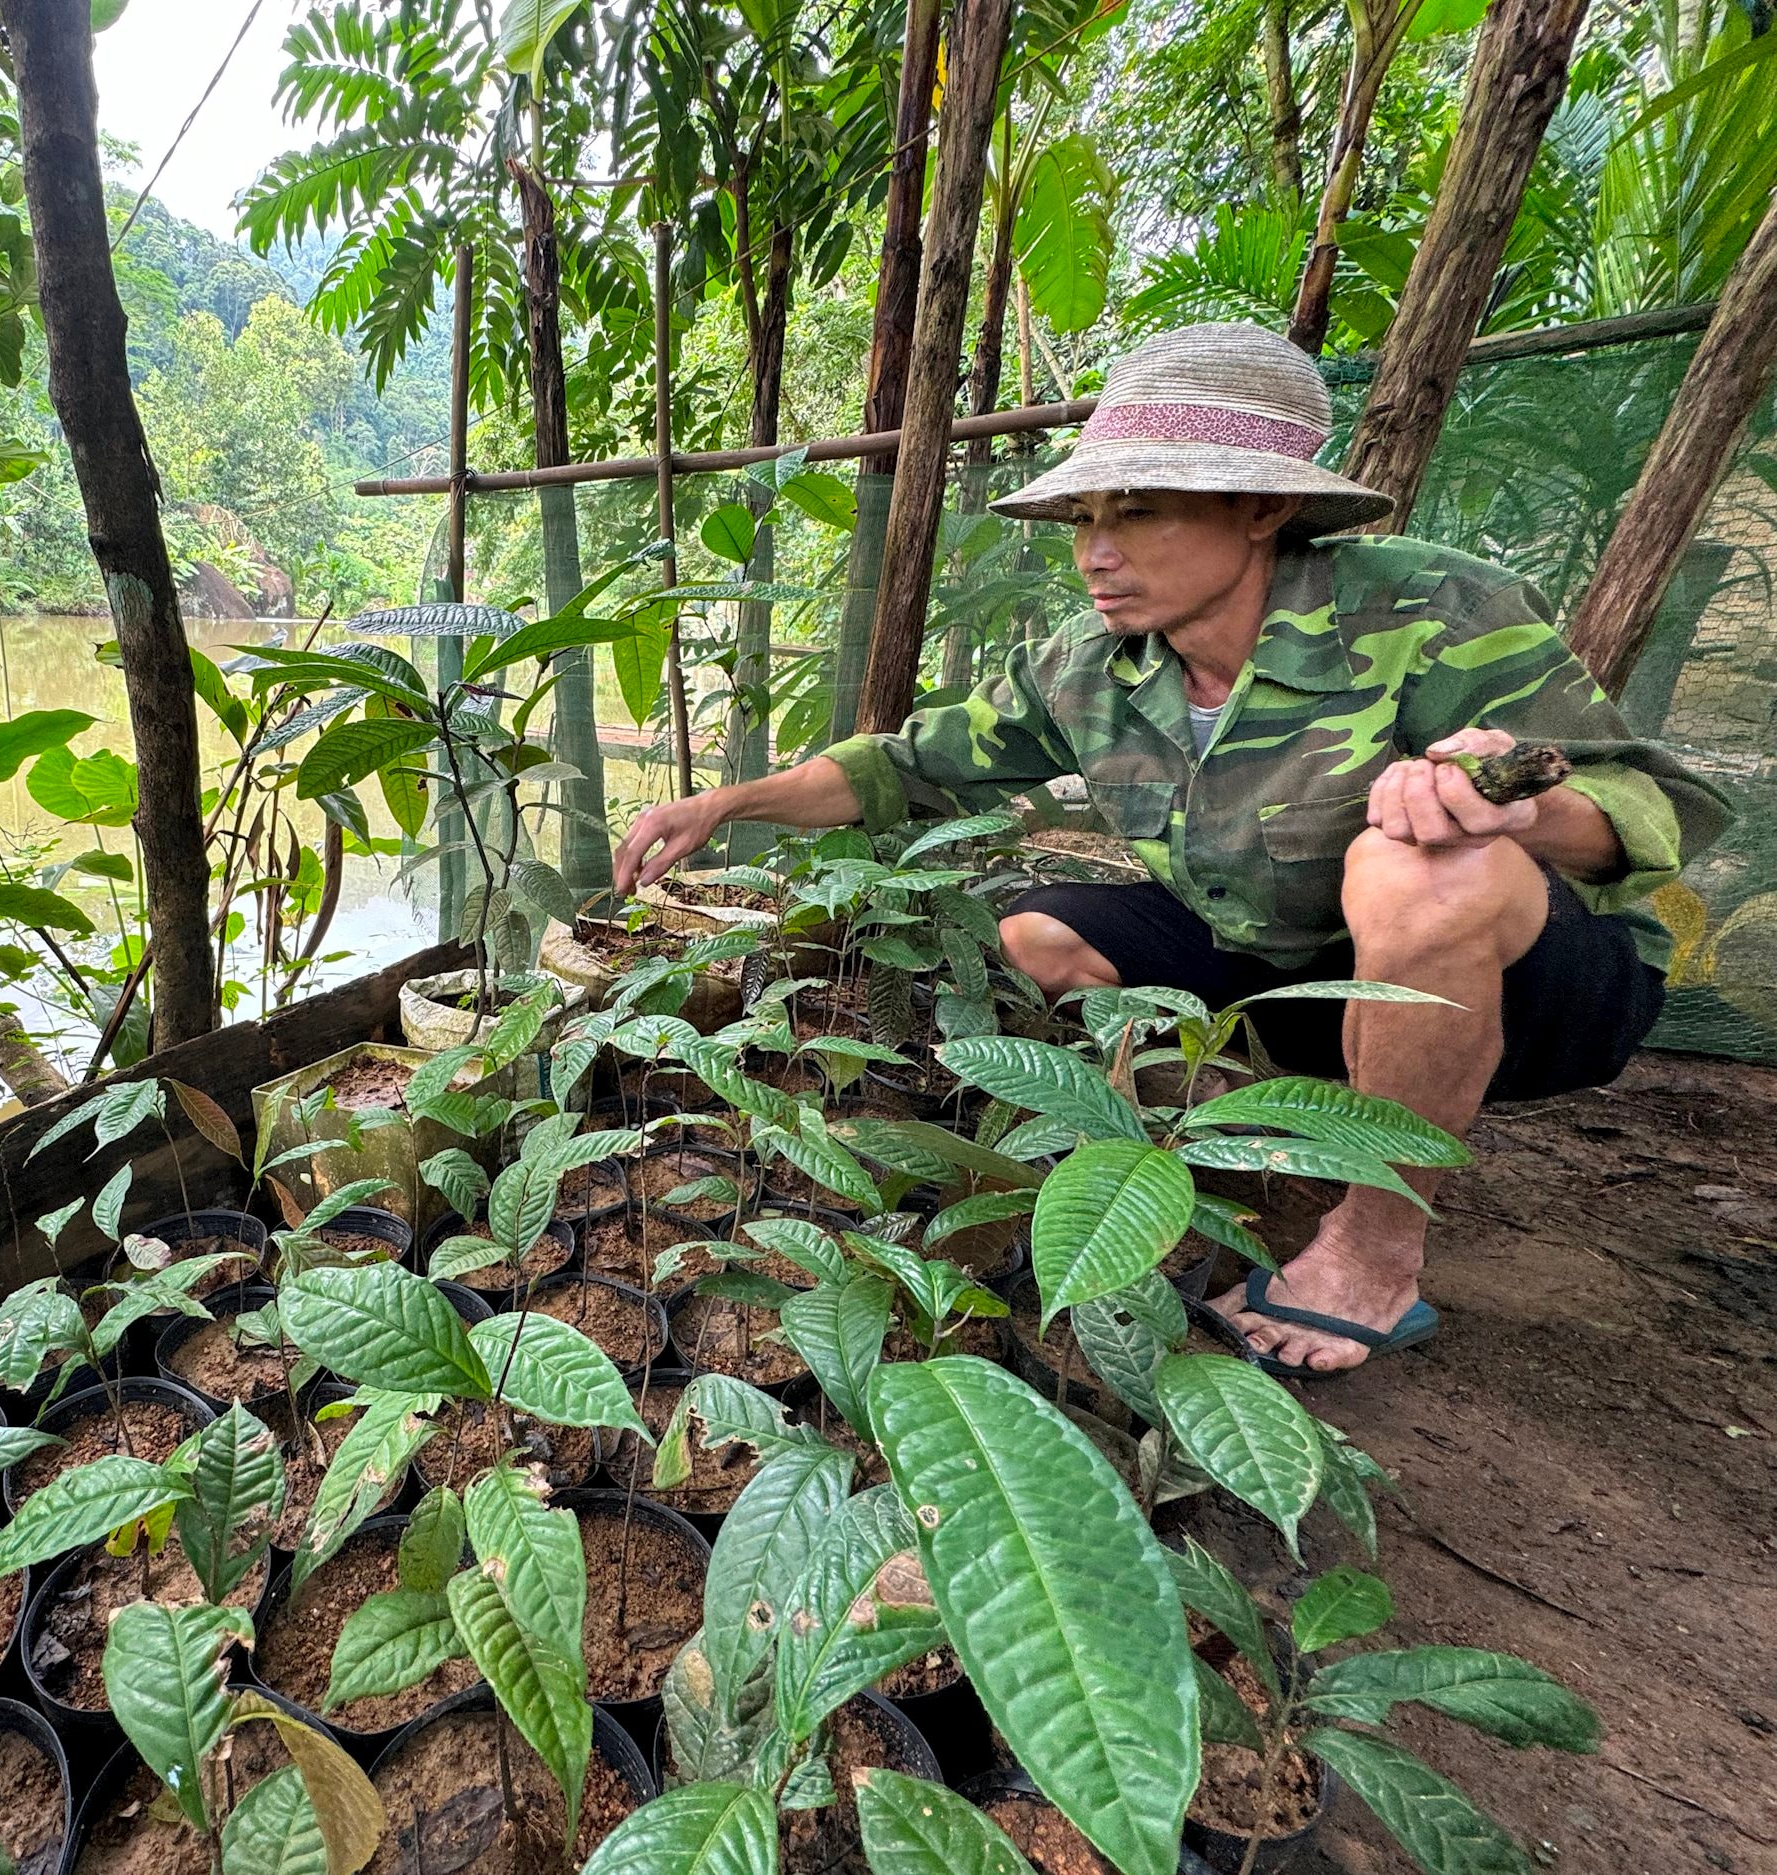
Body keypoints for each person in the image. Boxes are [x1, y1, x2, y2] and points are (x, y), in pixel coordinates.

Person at [611, 322, 1728, 1377]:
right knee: (1032, 933)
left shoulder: (1431, 607)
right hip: (1285, 976)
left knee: (1413, 865)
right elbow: (904, 765)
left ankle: (1376, 1245)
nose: (1096, 553)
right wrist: (724, 803)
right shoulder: (1087, 667)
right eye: (1085, 517)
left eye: (1139, 512)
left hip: (1530, 992)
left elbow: (1646, 804)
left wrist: (1517, 808)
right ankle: (1205, 1159)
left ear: (1258, 507)